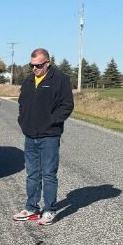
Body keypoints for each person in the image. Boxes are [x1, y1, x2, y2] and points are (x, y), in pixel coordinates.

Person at [13, 47, 74, 225]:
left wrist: (51, 122)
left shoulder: (60, 79)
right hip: (30, 135)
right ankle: (31, 208)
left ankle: (49, 210)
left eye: (38, 65)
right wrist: (23, 121)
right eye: (31, 65)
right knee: (32, 174)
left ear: (48, 63)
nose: (34, 69)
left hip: (49, 136)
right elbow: (22, 103)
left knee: (48, 174)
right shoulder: (28, 80)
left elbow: (67, 105)